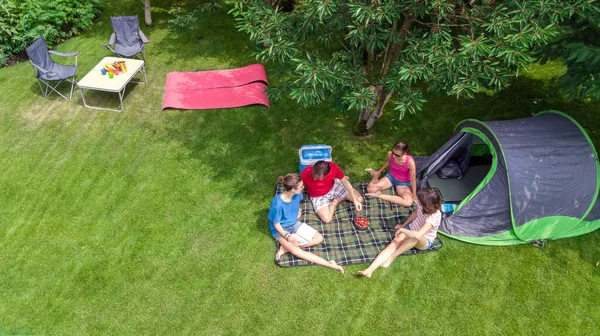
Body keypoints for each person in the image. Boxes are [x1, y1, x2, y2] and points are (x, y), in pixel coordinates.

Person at [268, 174, 344, 274]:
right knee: (297, 252)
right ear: (293, 189)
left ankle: (286, 248)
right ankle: (330, 264)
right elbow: (276, 224)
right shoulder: (277, 205)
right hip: (281, 230)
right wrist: (288, 237)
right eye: (301, 186)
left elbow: (291, 208)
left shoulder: (297, 195)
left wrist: (294, 215)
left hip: (294, 223)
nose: (303, 188)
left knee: (319, 238)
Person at [357, 188, 442, 278]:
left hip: (425, 240)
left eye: (420, 200)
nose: (418, 200)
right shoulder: (422, 205)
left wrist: (402, 230)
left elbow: (417, 235)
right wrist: (403, 225)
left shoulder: (434, 216)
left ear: (427, 204)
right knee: (392, 245)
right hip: (411, 229)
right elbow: (415, 213)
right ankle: (369, 270)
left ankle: (393, 257)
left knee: (415, 237)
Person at [364, 141, 417, 207]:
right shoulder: (390, 154)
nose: (394, 156)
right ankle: (376, 175)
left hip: (403, 183)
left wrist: (414, 195)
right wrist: (379, 171)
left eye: (397, 155)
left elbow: (413, 179)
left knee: (408, 202)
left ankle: (380, 195)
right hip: (391, 177)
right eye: (393, 152)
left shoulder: (410, 162)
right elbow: (388, 162)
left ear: (405, 153)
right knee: (371, 189)